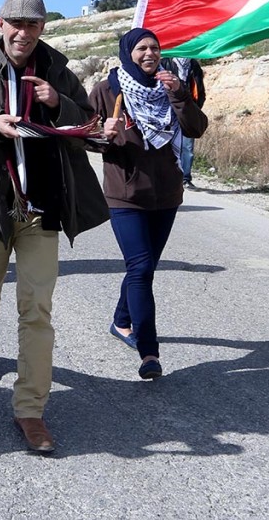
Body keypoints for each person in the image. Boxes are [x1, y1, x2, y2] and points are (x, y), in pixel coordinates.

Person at [0, 0, 108, 453]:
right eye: (14, 23)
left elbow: (90, 127)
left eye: (31, 25)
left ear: (42, 29)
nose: (22, 32)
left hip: (42, 207)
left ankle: (31, 409)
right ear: (0, 24)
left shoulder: (58, 71)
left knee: (37, 308)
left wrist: (59, 106)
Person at [90, 28, 208, 380]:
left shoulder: (170, 86)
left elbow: (196, 129)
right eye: (141, 48)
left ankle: (122, 320)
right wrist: (101, 136)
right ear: (128, 52)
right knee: (140, 268)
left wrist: (179, 95)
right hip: (125, 195)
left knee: (144, 268)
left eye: (154, 48)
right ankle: (148, 352)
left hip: (167, 195)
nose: (149, 54)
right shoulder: (108, 89)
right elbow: (82, 135)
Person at [162, 56, 206, 188]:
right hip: (169, 112)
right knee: (167, 145)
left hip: (188, 111)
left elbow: (199, 88)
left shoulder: (193, 65)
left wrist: (196, 108)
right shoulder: (166, 63)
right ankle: (168, 176)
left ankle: (185, 178)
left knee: (187, 147)